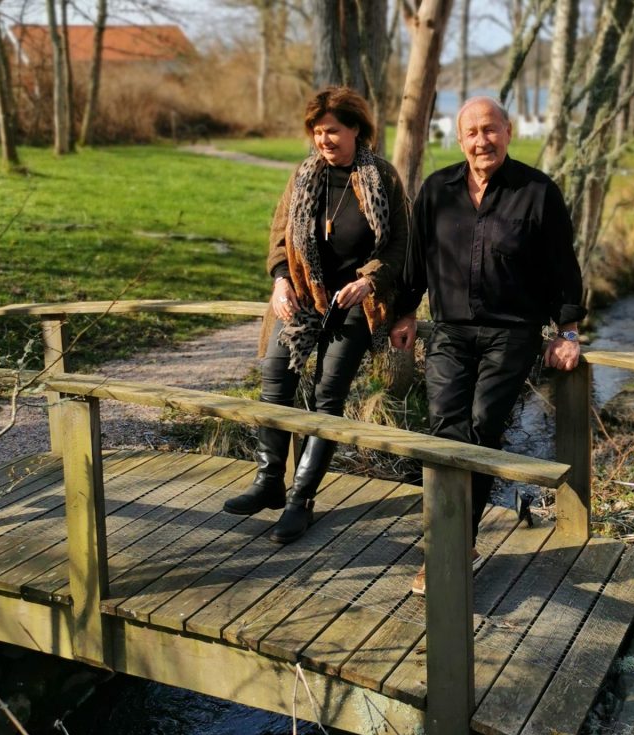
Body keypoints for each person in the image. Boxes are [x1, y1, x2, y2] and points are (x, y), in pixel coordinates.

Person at [390, 97, 585, 595]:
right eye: (472, 132)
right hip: (450, 331)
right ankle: (453, 541)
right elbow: (416, 258)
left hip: (512, 332)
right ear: (459, 140)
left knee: (481, 428)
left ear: (508, 130)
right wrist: (407, 311)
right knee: (444, 433)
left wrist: (566, 331)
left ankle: (453, 546)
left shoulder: (538, 192)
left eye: (490, 129)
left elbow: (563, 266)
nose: (482, 140)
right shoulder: (437, 190)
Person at [223, 86, 409, 545]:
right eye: (318, 132)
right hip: (302, 299)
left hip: (352, 306)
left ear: (357, 130)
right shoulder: (303, 175)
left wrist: (370, 279)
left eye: (334, 131)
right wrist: (281, 280)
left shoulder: (381, 177)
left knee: (326, 398)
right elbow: (279, 234)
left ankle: (300, 501)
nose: (325, 140)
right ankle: (269, 482)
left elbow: (400, 246)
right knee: (274, 382)